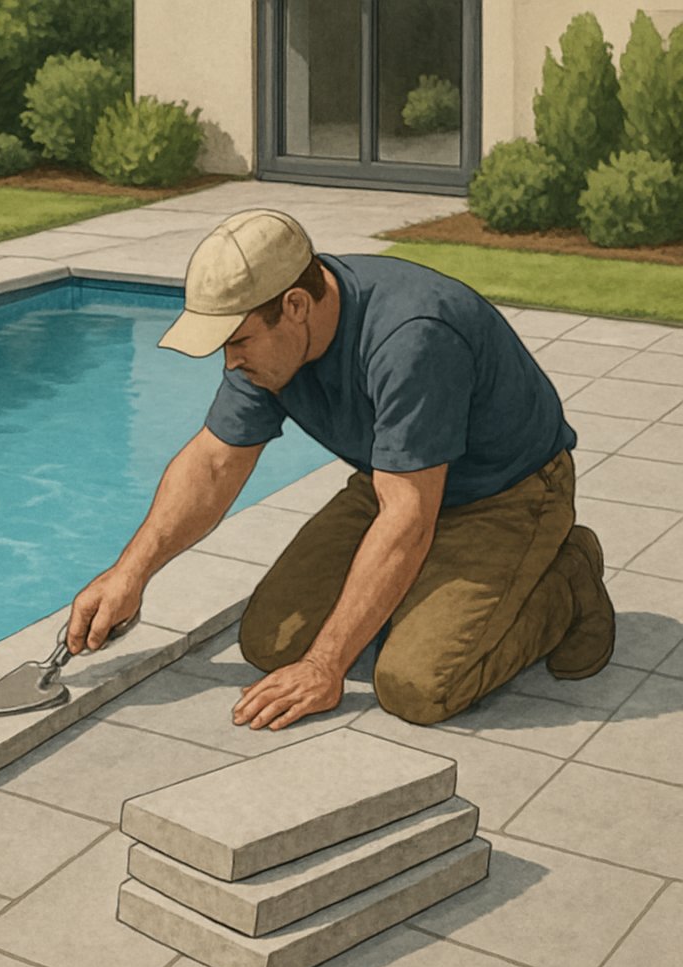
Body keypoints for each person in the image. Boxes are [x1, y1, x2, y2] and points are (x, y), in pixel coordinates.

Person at [66, 208, 614, 731]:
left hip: (507, 493)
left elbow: (408, 521)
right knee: (270, 643)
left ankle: (568, 577)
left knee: (418, 686)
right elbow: (213, 463)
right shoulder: (267, 346)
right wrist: (129, 574)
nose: (230, 361)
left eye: (238, 341)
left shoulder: (412, 336)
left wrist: (326, 665)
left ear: (297, 305)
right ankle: (429, 594)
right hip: (395, 482)